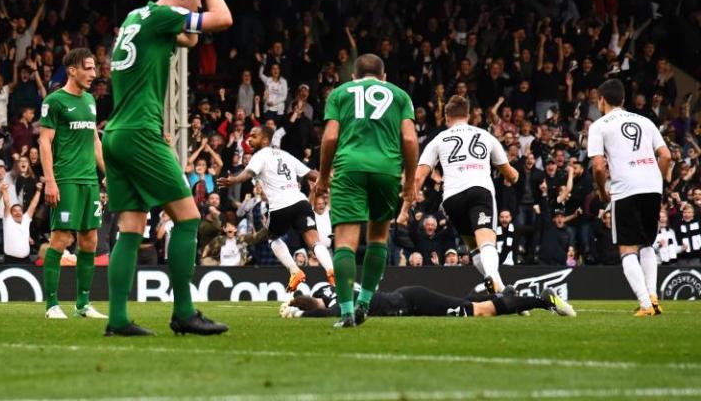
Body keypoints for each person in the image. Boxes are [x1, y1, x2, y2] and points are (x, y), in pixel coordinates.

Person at [102, 0, 232, 337]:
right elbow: (223, 19)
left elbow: (189, 40)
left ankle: (118, 319)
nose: (196, 5)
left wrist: (188, 20)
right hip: (141, 132)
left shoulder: (136, 17)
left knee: (131, 226)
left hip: (116, 132)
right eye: (193, 0)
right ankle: (184, 312)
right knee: (189, 218)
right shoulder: (164, 14)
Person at [315, 53, 418, 328]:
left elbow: (331, 137)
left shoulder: (340, 93)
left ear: (354, 77)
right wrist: (409, 180)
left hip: (349, 168)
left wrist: (323, 178)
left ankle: (346, 311)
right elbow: (409, 138)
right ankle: (365, 304)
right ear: (384, 77)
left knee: (345, 242)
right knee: (378, 239)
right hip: (387, 169)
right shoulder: (399, 95)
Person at [405, 96, 519, 293]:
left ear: (447, 118)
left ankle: (501, 292)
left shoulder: (438, 139)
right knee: (487, 242)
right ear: (467, 116)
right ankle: (493, 277)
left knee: (474, 247)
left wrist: (406, 207)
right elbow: (509, 173)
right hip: (479, 191)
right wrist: (515, 176)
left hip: (452, 199)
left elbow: (418, 177)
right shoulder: (485, 136)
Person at [588, 79, 671, 316]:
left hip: (626, 188)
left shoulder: (600, 126)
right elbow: (665, 155)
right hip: (652, 186)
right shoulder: (645, 121)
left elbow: (598, 166)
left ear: (602, 100)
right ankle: (653, 298)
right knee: (646, 243)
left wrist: (603, 191)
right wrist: (660, 180)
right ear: (623, 100)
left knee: (627, 248)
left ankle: (645, 304)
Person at [218, 126, 334, 290]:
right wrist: (333, 181)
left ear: (265, 140)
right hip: (300, 202)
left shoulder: (260, 155)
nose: (249, 139)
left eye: (254, 136)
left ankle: (295, 271)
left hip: (280, 206)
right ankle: (330, 269)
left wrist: (234, 180)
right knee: (314, 241)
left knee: (272, 237)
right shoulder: (286, 155)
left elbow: (249, 173)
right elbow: (313, 175)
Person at [38, 47, 107, 320]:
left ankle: (82, 304)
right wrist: (50, 181)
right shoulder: (54, 101)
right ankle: (52, 305)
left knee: (90, 239)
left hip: (89, 180)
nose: (93, 73)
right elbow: (44, 142)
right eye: (88, 68)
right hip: (65, 179)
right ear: (72, 70)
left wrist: (108, 176)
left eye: (94, 68)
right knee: (62, 238)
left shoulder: (90, 101)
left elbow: (95, 142)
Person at [279, 283, 575, 319]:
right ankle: (507, 296)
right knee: (464, 301)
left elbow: (330, 313)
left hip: (413, 302)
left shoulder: (336, 301)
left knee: (480, 313)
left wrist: (299, 316)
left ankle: (542, 300)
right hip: (410, 302)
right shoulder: (331, 293)